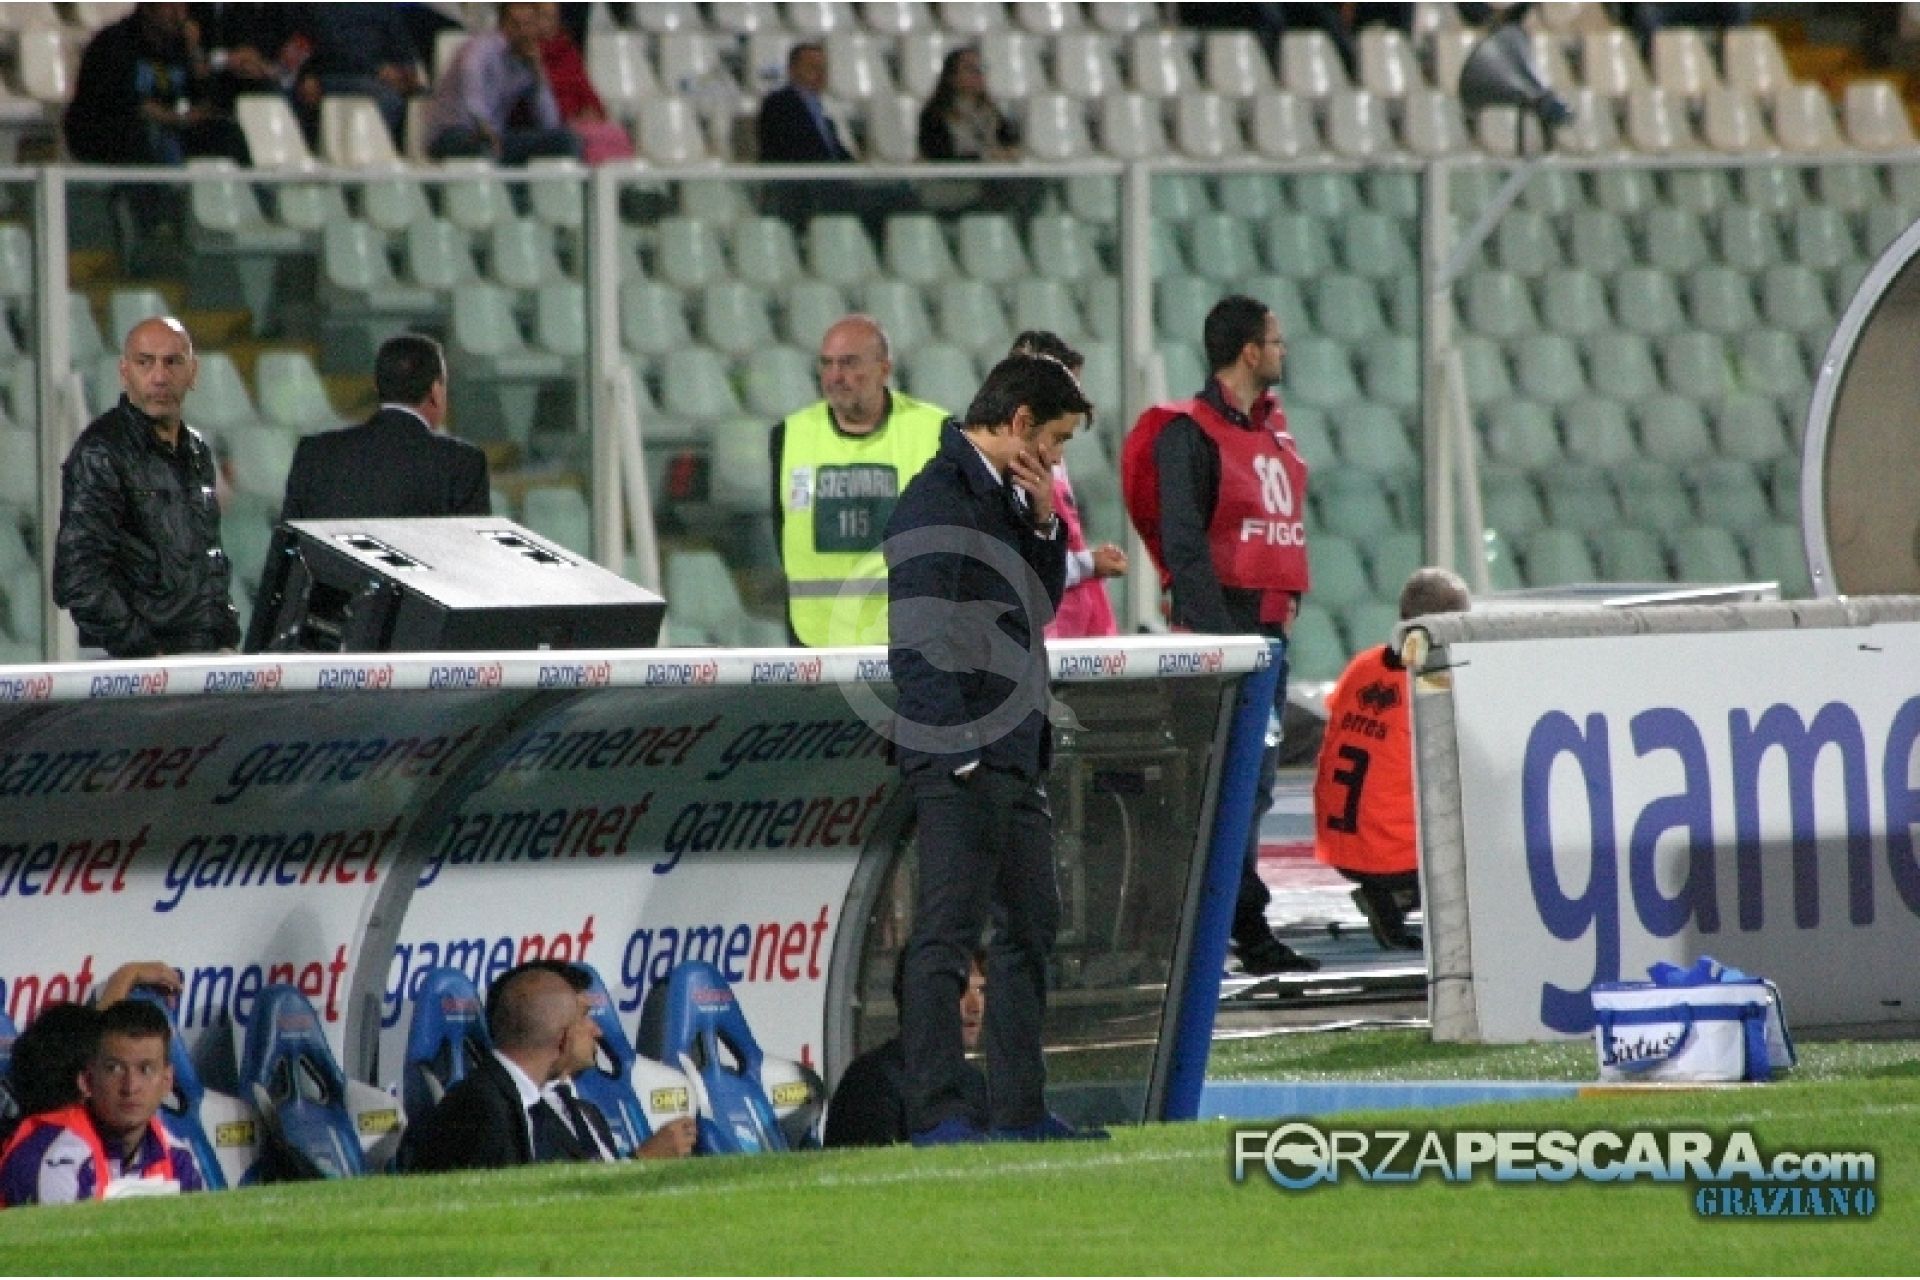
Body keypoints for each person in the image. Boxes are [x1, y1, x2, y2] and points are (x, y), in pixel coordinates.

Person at [886, 352, 1103, 1145]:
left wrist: (1046, 522)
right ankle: (939, 1113)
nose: (1057, 457)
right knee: (946, 938)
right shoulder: (936, 498)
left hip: (1015, 748)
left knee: (1030, 930)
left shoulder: (1007, 498)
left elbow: (1037, 605)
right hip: (963, 756)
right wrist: (960, 754)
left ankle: (1018, 1109)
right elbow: (916, 644)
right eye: (1056, 439)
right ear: (1019, 423)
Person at [1126, 295, 1318, 976]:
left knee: (1252, 788)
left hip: (1264, 641)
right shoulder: (1189, 434)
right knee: (1217, 790)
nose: (1283, 350)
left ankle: (1239, 923)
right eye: (1275, 340)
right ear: (1248, 351)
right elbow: (1185, 549)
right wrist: (1222, 650)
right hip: (1227, 643)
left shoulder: (1271, 430)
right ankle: (1208, 930)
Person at [53, 317, 240, 659]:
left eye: (172, 362)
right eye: (145, 363)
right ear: (124, 372)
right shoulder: (101, 452)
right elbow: (79, 577)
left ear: (193, 372)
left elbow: (208, 557)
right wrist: (144, 653)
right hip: (132, 666)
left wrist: (225, 638)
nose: (159, 377)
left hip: (201, 658)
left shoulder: (197, 450)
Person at [1314, 567, 1470, 951]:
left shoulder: (1362, 666)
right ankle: (1402, 894)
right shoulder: (1432, 683)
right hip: (1392, 853)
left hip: (1340, 845)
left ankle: (1387, 896)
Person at [769, 315, 947, 647]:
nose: (835, 376)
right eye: (827, 364)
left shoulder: (936, 432)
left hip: (912, 636)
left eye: (849, 363)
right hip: (816, 635)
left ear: (884, 369)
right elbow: (784, 532)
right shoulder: (790, 436)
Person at [400, 964, 605, 1172]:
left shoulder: (525, 1105)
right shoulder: (478, 1111)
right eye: (583, 1019)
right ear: (564, 1040)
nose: (597, 1031)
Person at [0, 1001, 206, 1206]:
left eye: (146, 1069)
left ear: (167, 1081)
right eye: (114, 1069)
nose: (131, 1087)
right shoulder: (54, 1156)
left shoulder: (178, 1156)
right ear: (87, 1080)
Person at [280, 334, 490, 522]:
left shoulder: (315, 452)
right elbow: (470, 550)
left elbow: (286, 546)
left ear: (377, 385)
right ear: (435, 391)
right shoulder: (462, 463)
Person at [1008, 332, 1125, 640]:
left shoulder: (1051, 458)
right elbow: (1025, 569)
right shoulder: (1014, 468)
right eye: (1068, 389)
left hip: (1075, 627)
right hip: (1044, 635)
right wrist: (1090, 563)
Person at [527, 960, 697, 1162]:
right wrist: (645, 1157)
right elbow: (571, 1182)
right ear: (553, 1026)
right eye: (583, 1017)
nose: (597, 1030)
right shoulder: (521, 1115)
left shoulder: (586, 1113)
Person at [824, 951, 987, 1148]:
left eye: (980, 990)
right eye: (961, 992)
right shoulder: (873, 1080)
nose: (975, 1006)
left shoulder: (973, 1082)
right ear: (918, 998)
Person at [63, 3, 249, 167]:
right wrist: (178, 118)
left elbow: (205, 100)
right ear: (147, 8)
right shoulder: (114, 43)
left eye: (182, 7)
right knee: (141, 134)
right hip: (108, 130)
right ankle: (151, 196)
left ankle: (254, 192)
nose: (178, 15)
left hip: (167, 126)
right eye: (169, 6)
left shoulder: (180, 45)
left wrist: (195, 54)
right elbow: (124, 103)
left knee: (225, 133)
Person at [424, 3, 581, 164]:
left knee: (565, 142)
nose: (533, 30)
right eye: (527, 22)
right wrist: (484, 128)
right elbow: (471, 92)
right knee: (483, 147)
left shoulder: (525, 62)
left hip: (497, 138)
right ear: (511, 20)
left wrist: (538, 75)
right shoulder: (481, 48)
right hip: (454, 133)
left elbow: (549, 123)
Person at [292, 2, 422, 146]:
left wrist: (405, 72)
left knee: (425, 100)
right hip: (335, 75)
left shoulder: (382, 6)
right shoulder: (320, 7)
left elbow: (402, 46)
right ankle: (371, 150)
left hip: (379, 77)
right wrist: (377, 70)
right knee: (389, 101)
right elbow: (333, 49)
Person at [533, 2, 634, 164]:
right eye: (544, 17)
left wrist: (593, 110)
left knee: (617, 134)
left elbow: (585, 89)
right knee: (579, 140)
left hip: (580, 121)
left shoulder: (568, 50)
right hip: (553, 125)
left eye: (553, 17)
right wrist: (569, 118)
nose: (550, 23)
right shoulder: (529, 55)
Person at [757, 43, 853, 164]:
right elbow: (790, 149)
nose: (820, 74)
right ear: (793, 70)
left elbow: (833, 148)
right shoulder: (778, 104)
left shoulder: (822, 107)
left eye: (823, 68)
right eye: (812, 67)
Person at [918, 47, 1019, 162]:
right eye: (970, 69)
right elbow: (939, 157)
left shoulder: (992, 113)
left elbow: (1009, 144)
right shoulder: (934, 115)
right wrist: (984, 157)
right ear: (952, 76)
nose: (978, 74)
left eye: (981, 69)